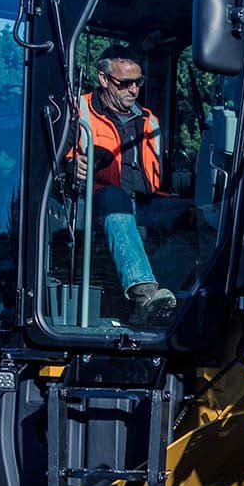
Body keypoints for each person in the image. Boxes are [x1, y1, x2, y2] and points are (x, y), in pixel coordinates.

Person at [74, 47, 176, 324]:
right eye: (125, 83)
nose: (133, 90)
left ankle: (189, 300)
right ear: (104, 79)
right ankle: (144, 294)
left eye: (138, 83)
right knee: (115, 198)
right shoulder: (78, 110)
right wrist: (73, 165)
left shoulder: (149, 120)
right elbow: (57, 158)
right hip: (98, 198)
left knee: (191, 212)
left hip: (145, 200)